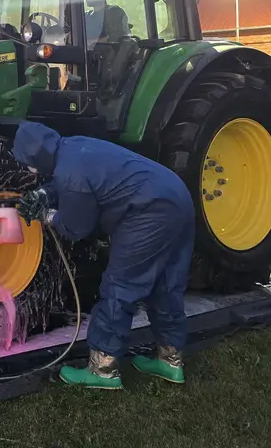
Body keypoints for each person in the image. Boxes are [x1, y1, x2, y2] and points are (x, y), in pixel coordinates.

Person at [11, 121, 195, 390]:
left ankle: (103, 369)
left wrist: (46, 216)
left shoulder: (70, 174)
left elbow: (76, 227)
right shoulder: (73, 146)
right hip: (176, 197)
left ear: (36, 158)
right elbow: (78, 180)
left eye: (28, 163)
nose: (29, 169)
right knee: (165, 284)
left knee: (121, 286)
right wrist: (43, 193)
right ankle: (170, 360)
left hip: (147, 212)